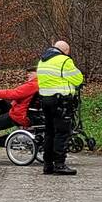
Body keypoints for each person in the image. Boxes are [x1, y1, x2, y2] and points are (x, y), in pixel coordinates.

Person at [37, 40, 84, 176]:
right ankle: (60, 164)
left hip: (45, 100)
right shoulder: (64, 61)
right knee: (62, 133)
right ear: (65, 51)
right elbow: (78, 79)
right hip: (61, 101)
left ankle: (47, 165)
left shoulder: (42, 61)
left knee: (49, 132)